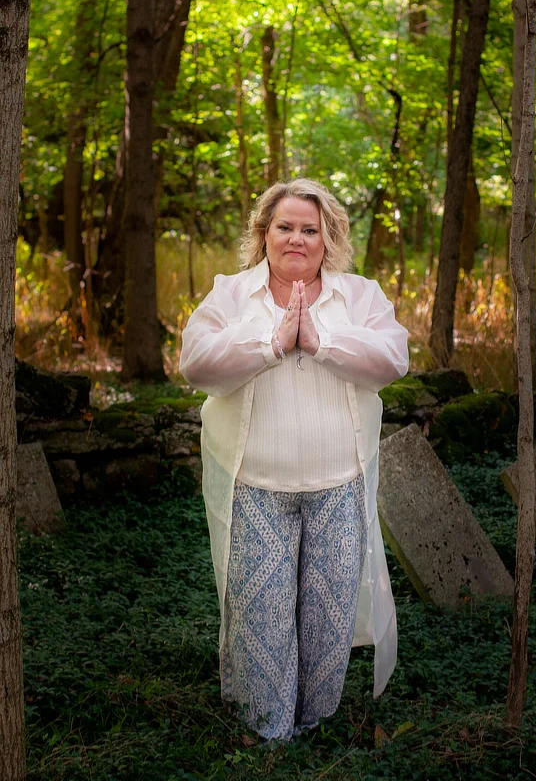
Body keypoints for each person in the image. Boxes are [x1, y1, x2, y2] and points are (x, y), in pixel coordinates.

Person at [179, 179, 409, 741]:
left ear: (328, 237)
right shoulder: (232, 294)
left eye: (310, 229)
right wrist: (272, 343)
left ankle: (314, 730)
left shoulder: (360, 296)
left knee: (328, 626)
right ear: (264, 233)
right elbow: (196, 363)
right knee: (262, 619)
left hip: (339, 486)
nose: (297, 239)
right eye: (285, 227)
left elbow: (392, 359)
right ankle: (270, 740)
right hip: (256, 488)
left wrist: (321, 341)